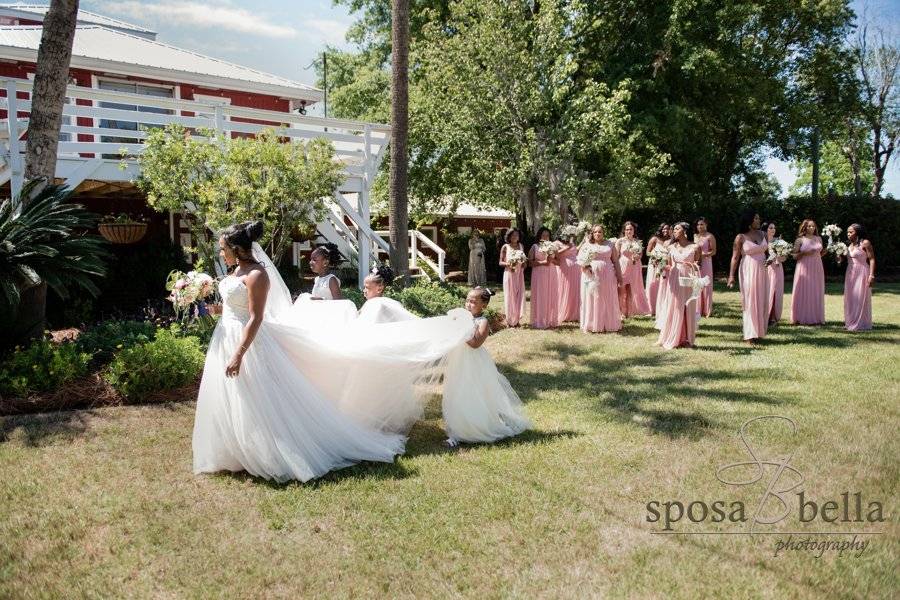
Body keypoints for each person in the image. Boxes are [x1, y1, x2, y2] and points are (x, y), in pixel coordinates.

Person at [192, 221, 406, 483]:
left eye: (223, 248)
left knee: (256, 396)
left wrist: (239, 354)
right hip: (225, 336)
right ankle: (233, 451)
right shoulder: (235, 271)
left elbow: (256, 317)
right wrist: (211, 309)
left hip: (248, 342)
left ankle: (269, 451)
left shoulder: (258, 274)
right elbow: (232, 307)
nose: (220, 253)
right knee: (229, 394)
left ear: (236, 249)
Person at [442, 288, 531, 447]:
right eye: (467, 300)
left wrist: (461, 330)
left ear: (483, 305)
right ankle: (456, 431)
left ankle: (478, 426)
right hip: (458, 360)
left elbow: (476, 343)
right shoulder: (462, 317)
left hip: (474, 362)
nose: (468, 304)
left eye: (473, 302)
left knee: (473, 392)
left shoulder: (482, 321)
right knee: (456, 391)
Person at [656, 222, 702, 349]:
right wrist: (661, 265)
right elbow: (669, 265)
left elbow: (699, 264)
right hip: (675, 279)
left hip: (689, 279)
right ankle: (672, 336)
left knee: (688, 307)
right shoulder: (671, 247)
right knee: (674, 306)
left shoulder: (695, 247)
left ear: (685, 231)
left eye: (677, 229)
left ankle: (688, 339)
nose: (674, 231)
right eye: (674, 229)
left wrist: (692, 265)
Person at [727, 211, 769, 343]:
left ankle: (758, 332)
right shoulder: (741, 237)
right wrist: (731, 275)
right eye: (756, 218)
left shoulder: (763, 234)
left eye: (758, 218)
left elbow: (768, 252)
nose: (759, 220)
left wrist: (772, 259)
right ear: (749, 221)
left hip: (763, 269)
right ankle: (750, 334)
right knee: (750, 300)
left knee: (761, 300)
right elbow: (735, 257)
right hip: (748, 269)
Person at [579, 225, 623, 333]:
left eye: (600, 232)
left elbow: (616, 261)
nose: (598, 234)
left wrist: (619, 276)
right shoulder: (587, 245)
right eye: (595, 232)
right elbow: (581, 260)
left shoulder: (610, 244)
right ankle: (592, 324)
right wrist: (585, 267)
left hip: (608, 275)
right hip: (591, 275)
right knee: (593, 297)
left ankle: (607, 323)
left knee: (607, 297)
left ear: (603, 233)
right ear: (592, 234)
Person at [840, 223, 876, 331]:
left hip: (862, 272)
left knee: (860, 297)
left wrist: (871, 275)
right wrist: (838, 257)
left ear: (858, 232)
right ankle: (850, 322)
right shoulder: (848, 245)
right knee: (850, 297)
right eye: (847, 232)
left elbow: (872, 259)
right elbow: (840, 261)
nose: (848, 234)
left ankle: (861, 323)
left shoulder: (865, 243)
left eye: (851, 232)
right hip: (850, 273)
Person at [791, 219, 826, 325]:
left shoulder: (819, 238)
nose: (812, 228)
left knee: (816, 290)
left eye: (813, 226)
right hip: (804, 267)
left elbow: (820, 253)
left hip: (817, 267)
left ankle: (816, 317)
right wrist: (804, 253)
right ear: (804, 227)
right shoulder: (800, 240)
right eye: (809, 226)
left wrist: (827, 251)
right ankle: (801, 317)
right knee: (804, 290)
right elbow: (794, 256)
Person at [617, 221, 650, 317]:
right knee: (621, 288)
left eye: (631, 229)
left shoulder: (637, 242)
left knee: (631, 288)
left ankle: (629, 311)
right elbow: (616, 255)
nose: (629, 231)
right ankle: (621, 311)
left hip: (635, 266)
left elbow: (641, 254)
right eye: (627, 229)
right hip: (623, 265)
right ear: (624, 231)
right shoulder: (620, 241)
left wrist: (637, 256)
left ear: (634, 230)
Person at [528, 227, 560, 329]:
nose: (545, 237)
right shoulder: (535, 246)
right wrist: (543, 262)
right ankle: (540, 320)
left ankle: (550, 319)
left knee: (550, 294)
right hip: (539, 273)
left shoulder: (553, 247)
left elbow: (558, 262)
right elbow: (530, 262)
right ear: (539, 236)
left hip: (551, 273)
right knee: (541, 295)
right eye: (543, 235)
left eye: (547, 235)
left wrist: (551, 260)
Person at [498, 228, 526, 327]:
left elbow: (524, 262)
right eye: (513, 235)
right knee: (510, 296)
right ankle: (510, 321)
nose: (515, 237)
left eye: (517, 235)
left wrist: (524, 263)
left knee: (519, 296)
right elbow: (500, 262)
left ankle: (517, 320)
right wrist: (509, 264)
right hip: (509, 274)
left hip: (519, 274)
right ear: (509, 236)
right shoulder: (505, 247)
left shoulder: (521, 246)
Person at [763, 222, 786, 325]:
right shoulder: (761, 241)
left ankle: (772, 317)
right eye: (770, 228)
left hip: (777, 268)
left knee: (775, 291)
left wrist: (778, 256)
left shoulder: (779, 241)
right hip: (765, 269)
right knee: (766, 291)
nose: (773, 229)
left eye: (774, 228)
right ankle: (763, 315)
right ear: (765, 229)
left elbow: (784, 258)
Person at [694, 217, 717, 317]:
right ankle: (697, 309)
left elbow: (713, 251)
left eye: (702, 224)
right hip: (696, 262)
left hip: (706, 262)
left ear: (706, 225)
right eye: (698, 224)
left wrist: (703, 255)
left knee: (706, 284)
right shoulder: (695, 236)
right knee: (697, 284)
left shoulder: (710, 236)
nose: (700, 226)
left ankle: (707, 310)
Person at [646, 223, 670, 316]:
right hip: (654, 265)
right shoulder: (654, 239)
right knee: (653, 285)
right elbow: (647, 252)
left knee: (662, 286)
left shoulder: (670, 241)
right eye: (664, 229)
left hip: (664, 266)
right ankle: (651, 309)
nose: (666, 230)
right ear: (660, 229)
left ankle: (661, 308)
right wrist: (656, 257)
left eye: (667, 229)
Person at [557, 235, 582, 323]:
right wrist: (567, 248)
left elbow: (576, 251)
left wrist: (583, 241)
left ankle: (574, 313)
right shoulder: (557, 243)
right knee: (565, 290)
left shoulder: (571, 242)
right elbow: (555, 254)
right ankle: (564, 312)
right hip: (564, 270)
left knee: (574, 291)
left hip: (576, 271)